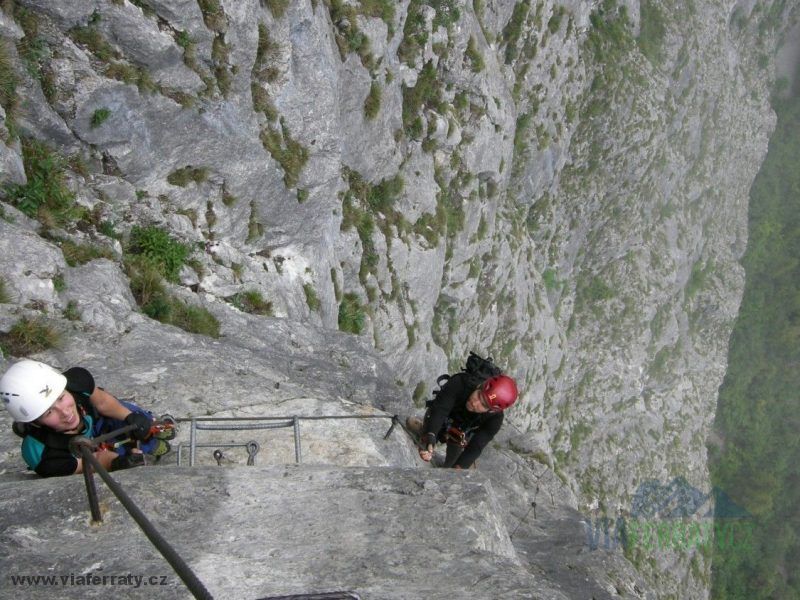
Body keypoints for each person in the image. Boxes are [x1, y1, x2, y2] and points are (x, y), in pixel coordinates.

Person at [0, 359, 173, 477]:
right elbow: (90, 462)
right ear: (34, 422)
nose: (66, 412)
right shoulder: (44, 455)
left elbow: (103, 402)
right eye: (49, 412)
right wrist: (119, 463)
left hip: (94, 420)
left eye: (61, 398)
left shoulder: (76, 383)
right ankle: (149, 446)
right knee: (123, 455)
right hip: (78, 450)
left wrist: (131, 417)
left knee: (133, 416)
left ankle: (150, 431)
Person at [406, 372, 518, 469]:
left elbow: (477, 446)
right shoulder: (461, 382)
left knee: (454, 461)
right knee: (430, 429)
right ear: (480, 386)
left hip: (460, 433)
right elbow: (440, 409)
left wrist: (459, 467)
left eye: (483, 405)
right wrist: (430, 436)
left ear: (491, 411)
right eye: (479, 395)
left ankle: (451, 465)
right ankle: (425, 430)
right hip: (444, 417)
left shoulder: (495, 419)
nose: (475, 403)